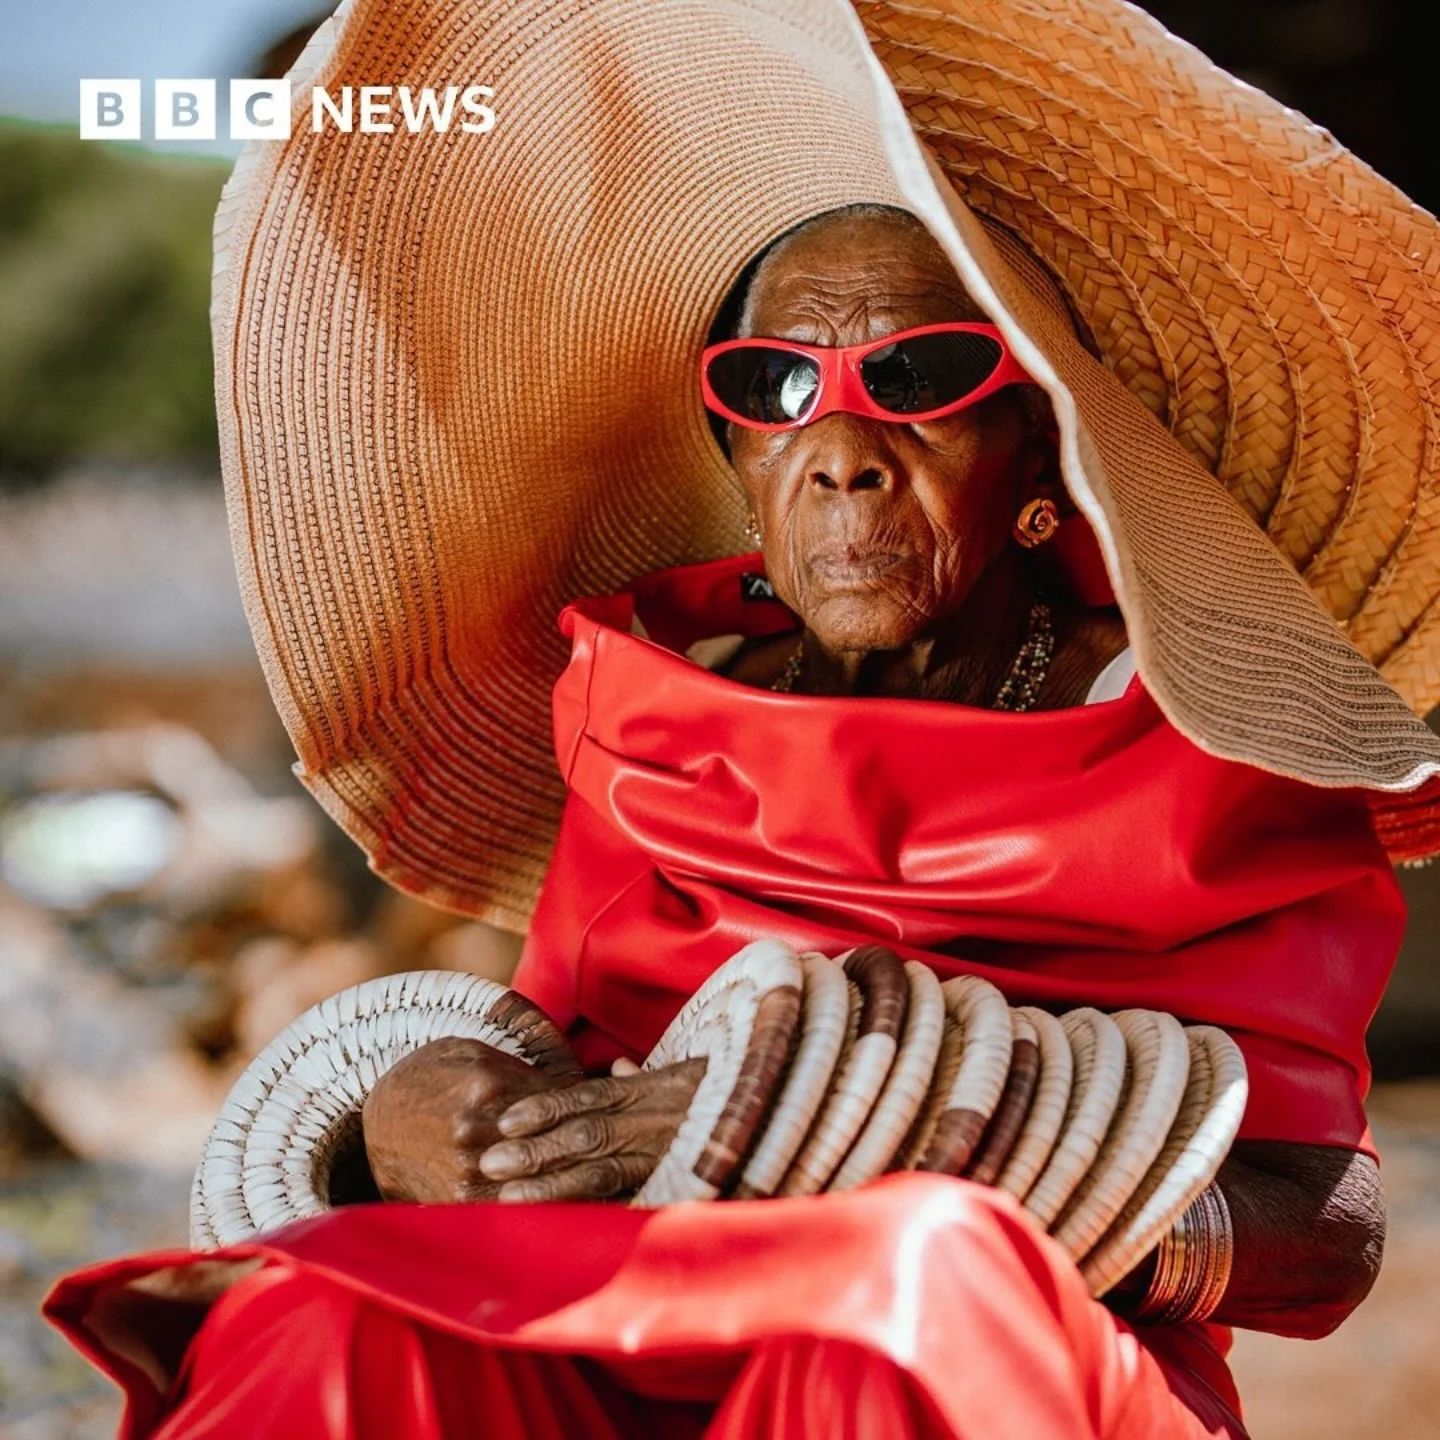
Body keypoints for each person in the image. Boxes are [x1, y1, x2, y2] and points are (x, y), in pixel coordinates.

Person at [43, 1, 1440, 1436]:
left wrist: (894, 1157)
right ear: (741, 461)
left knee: (908, 1276)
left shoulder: (1202, 750)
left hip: (987, 1353)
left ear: (1043, 443)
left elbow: (1327, 1238)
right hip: (641, 1323)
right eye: (777, 390)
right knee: (326, 1316)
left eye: (917, 380)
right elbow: (558, 1078)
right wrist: (402, 1127)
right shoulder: (656, 714)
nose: (844, 457)